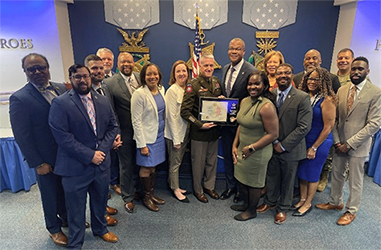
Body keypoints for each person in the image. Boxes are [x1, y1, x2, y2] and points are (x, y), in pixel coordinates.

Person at [49, 64, 118, 249]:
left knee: (100, 200)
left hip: (101, 164)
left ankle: (100, 229)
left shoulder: (102, 100)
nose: (83, 80)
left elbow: (113, 127)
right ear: (71, 79)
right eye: (78, 77)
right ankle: (76, 242)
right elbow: (62, 137)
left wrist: (100, 152)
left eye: (86, 76)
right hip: (75, 166)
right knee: (76, 209)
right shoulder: (61, 103)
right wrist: (90, 155)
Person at [9, 53, 68, 246]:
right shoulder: (20, 98)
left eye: (41, 67)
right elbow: (22, 135)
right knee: (50, 194)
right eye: (31, 69)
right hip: (45, 159)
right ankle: (54, 228)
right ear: (25, 72)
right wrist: (37, 163)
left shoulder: (60, 88)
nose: (37, 72)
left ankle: (67, 219)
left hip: (66, 154)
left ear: (48, 68)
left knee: (65, 190)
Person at [316, 57, 381, 226]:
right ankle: (335, 202)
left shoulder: (375, 92)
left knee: (355, 179)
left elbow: (374, 124)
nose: (356, 72)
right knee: (337, 174)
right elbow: (336, 119)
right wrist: (338, 142)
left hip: (358, 145)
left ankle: (351, 210)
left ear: (367, 71)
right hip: (339, 143)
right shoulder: (343, 90)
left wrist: (349, 143)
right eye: (354, 69)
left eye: (360, 69)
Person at [257, 63, 312, 224]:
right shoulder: (270, 95)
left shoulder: (302, 97)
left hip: (291, 148)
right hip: (271, 144)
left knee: (288, 180)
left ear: (292, 75)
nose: (283, 76)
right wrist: (274, 141)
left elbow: (304, 126)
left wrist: (283, 145)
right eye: (279, 73)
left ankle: (283, 208)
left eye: (286, 73)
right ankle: (269, 202)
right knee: (272, 176)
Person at [231, 70, 278, 221]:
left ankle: (252, 211)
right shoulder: (244, 101)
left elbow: (273, 134)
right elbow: (241, 125)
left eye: (257, 83)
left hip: (258, 151)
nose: (253, 87)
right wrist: (235, 144)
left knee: (254, 183)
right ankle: (246, 204)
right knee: (242, 178)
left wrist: (252, 148)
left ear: (264, 86)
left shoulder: (266, 107)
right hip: (243, 148)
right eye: (250, 84)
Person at [292, 67, 336, 217]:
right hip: (305, 139)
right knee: (302, 171)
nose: (312, 82)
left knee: (313, 173)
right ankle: (302, 199)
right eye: (310, 78)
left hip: (319, 142)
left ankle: (308, 203)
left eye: (316, 79)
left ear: (323, 81)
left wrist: (314, 147)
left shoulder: (327, 100)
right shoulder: (306, 96)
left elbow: (328, 127)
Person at [84, 54, 120, 225]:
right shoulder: (84, 93)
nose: (99, 71)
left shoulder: (104, 88)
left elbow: (111, 115)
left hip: (108, 142)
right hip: (94, 149)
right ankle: (100, 218)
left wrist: (116, 134)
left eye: (101, 68)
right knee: (96, 186)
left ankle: (103, 207)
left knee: (104, 182)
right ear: (87, 71)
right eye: (94, 69)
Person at [180, 53, 222, 203]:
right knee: (198, 164)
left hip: (214, 131)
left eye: (211, 65)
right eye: (206, 65)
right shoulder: (193, 85)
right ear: (200, 66)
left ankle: (209, 186)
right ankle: (198, 190)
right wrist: (199, 124)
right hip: (199, 132)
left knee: (212, 162)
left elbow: (219, 105)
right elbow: (184, 111)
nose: (209, 68)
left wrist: (222, 101)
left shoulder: (217, 82)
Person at [220, 38, 256, 203]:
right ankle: (230, 186)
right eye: (231, 48)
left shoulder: (251, 70)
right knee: (228, 155)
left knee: (241, 158)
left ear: (243, 52)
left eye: (237, 49)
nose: (233, 51)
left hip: (243, 124)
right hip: (227, 124)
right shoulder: (225, 68)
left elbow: (253, 98)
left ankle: (241, 190)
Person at [104, 52, 141, 213]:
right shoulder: (109, 83)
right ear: (117, 64)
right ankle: (128, 197)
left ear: (134, 63)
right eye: (123, 62)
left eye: (129, 62)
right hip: (124, 131)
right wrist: (116, 133)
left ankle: (138, 190)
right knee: (126, 165)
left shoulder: (140, 77)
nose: (127, 64)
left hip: (142, 132)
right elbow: (111, 112)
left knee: (140, 162)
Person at [131, 63, 166, 212]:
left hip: (159, 135)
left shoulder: (161, 89)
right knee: (146, 167)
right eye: (149, 74)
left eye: (155, 74)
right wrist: (142, 144)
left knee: (153, 165)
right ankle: (146, 197)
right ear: (144, 77)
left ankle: (151, 194)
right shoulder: (139, 94)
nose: (152, 77)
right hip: (146, 138)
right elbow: (136, 121)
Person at [164, 60, 191, 202]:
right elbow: (171, 117)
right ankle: (175, 189)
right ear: (174, 75)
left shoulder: (186, 89)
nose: (181, 74)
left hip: (184, 132)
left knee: (178, 161)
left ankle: (174, 184)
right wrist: (176, 140)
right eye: (178, 71)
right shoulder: (172, 91)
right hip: (175, 134)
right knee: (174, 163)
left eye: (184, 71)